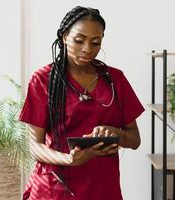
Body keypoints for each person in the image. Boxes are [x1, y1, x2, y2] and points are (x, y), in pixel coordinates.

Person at [19, 6, 145, 200]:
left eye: (96, 42)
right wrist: (69, 160)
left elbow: (135, 140)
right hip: (55, 188)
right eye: (79, 40)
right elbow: (34, 145)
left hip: (103, 187)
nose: (87, 49)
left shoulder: (115, 79)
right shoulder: (43, 80)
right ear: (64, 36)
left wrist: (115, 134)